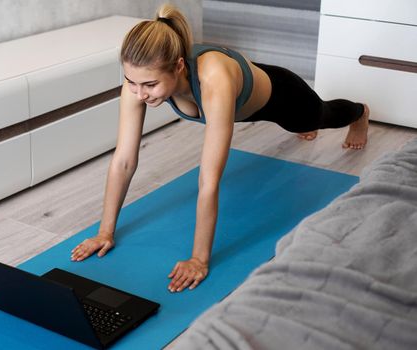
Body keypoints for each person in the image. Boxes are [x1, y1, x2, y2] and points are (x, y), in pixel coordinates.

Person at [70, 4, 369, 293]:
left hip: (282, 96)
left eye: (149, 85)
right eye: (131, 82)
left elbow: (209, 179)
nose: (139, 93)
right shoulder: (138, 79)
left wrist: (199, 259)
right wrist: (104, 232)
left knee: (319, 117)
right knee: (302, 127)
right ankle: (310, 125)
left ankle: (359, 112)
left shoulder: (214, 77)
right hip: (242, 102)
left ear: (177, 66)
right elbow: (123, 160)